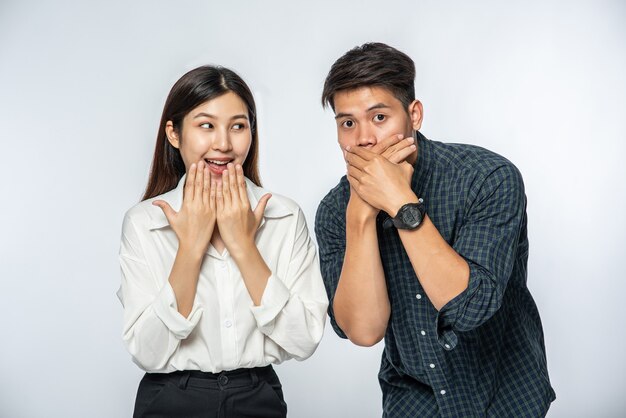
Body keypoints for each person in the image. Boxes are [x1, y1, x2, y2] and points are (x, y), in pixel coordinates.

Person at [315, 42, 555, 417]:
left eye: (379, 118)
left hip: (506, 398)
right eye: (348, 123)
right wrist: (361, 216)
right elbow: (363, 331)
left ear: (414, 115)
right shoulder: (334, 211)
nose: (363, 139)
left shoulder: (487, 178)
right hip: (413, 401)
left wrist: (401, 204)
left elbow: (470, 307)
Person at [117, 65, 328, 418]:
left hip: (258, 397)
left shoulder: (284, 217)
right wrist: (191, 247)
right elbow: (147, 353)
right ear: (174, 133)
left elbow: (304, 339)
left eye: (238, 126)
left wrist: (244, 246)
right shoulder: (144, 222)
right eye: (206, 125)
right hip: (170, 400)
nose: (224, 144)